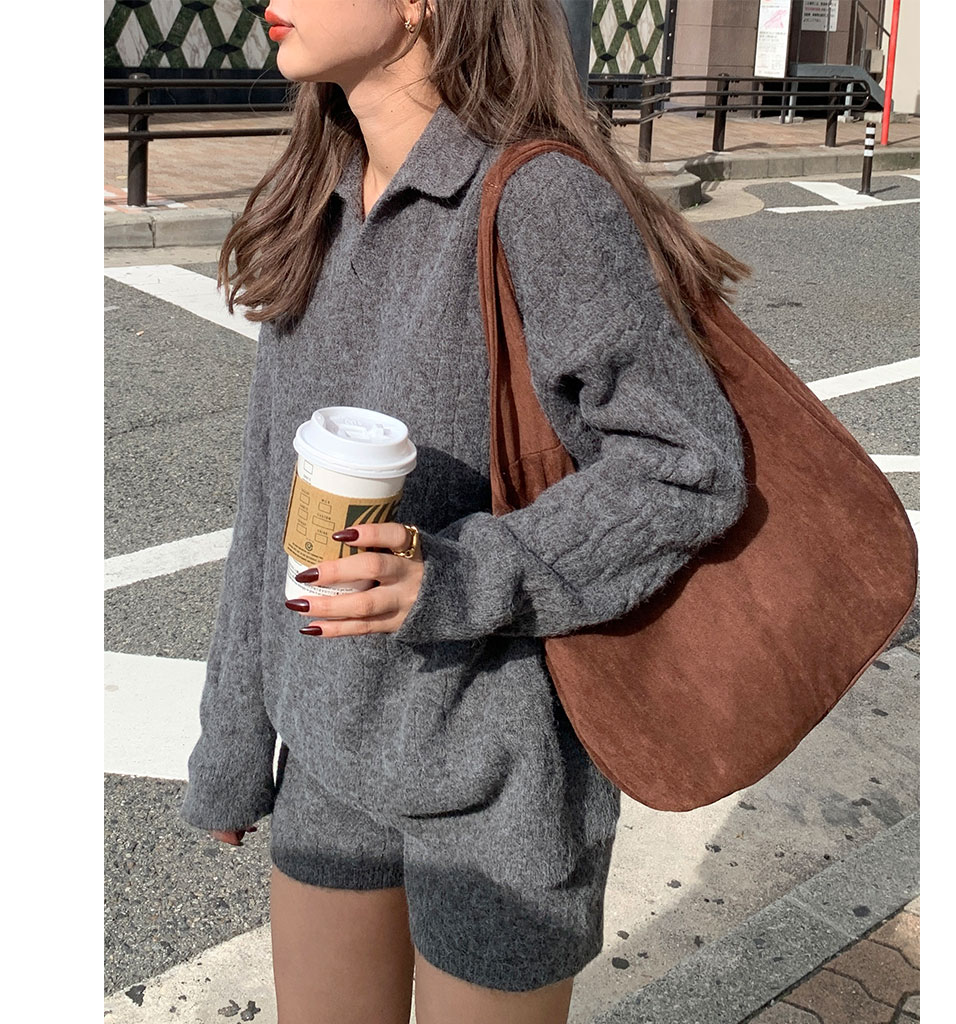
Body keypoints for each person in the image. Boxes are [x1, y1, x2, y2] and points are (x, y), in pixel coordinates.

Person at [179, 1, 750, 1022]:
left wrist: (458, 575)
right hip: (327, 761)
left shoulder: (540, 200)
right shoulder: (316, 201)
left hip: (501, 776)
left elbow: (685, 463)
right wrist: (231, 746)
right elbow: (267, 500)